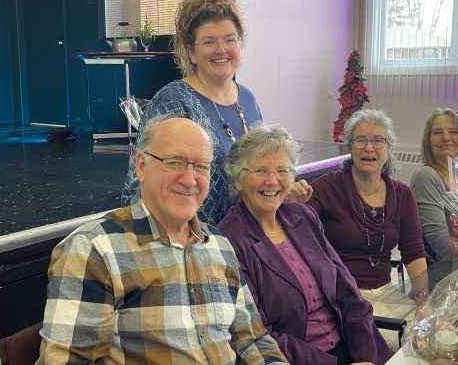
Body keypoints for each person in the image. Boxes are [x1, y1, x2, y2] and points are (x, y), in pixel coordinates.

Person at [36, 117, 288, 364]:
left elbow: (253, 341)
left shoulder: (219, 244)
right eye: (175, 162)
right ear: (142, 166)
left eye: (201, 166)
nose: (190, 180)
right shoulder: (94, 250)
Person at [121, 0, 311, 225]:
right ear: (191, 52)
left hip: (244, 240)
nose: (221, 50)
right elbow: (138, 188)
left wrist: (280, 196)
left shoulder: (248, 99)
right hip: (190, 243)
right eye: (209, 42)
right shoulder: (173, 102)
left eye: (230, 40)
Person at [217, 124, 392, 364]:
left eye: (282, 170)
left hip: (356, 349)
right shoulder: (228, 241)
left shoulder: (303, 217)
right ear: (238, 180)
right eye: (260, 170)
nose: (272, 181)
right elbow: (258, 334)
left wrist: (365, 355)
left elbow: (348, 292)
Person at [306, 109, 428, 350]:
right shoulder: (327, 187)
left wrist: (423, 301)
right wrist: (296, 203)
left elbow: (414, 252)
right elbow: (296, 226)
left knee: (426, 338)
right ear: (349, 147)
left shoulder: (402, 194)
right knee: (395, 344)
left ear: (389, 148)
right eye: (360, 140)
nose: (368, 147)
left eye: (378, 140)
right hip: (342, 295)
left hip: (385, 290)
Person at [410, 108, 458, 290]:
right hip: (442, 287)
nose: (446, 137)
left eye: (453, 131)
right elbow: (441, 244)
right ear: (428, 140)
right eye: (437, 132)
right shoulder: (427, 177)